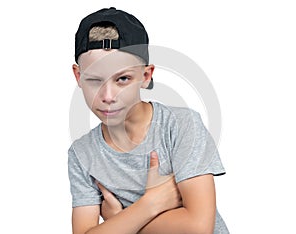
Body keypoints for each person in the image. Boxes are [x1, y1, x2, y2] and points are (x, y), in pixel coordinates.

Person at [68, 7, 229, 234]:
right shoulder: (81, 154)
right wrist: (151, 203)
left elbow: (198, 226)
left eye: (122, 79)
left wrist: (120, 220)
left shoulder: (182, 126)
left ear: (145, 76)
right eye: (94, 80)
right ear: (78, 76)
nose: (107, 96)